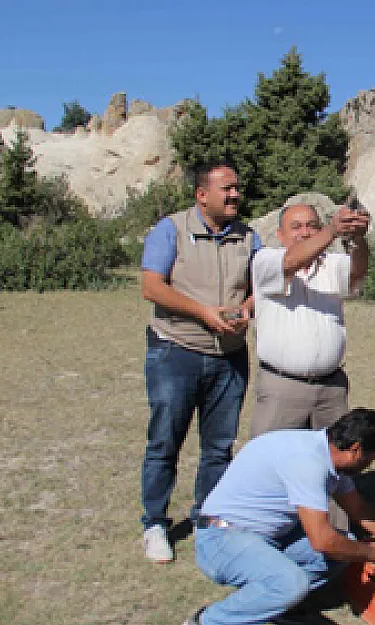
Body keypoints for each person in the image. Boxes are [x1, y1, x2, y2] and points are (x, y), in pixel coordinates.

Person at [185, 408, 375, 625]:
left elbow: (360, 511)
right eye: (370, 460)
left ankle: (276, 601)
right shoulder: (308, 463)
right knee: (294, 580)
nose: (370, 467)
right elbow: (322, 541)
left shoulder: (327, 455)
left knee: (347, 544)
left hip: (267, 537)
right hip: (221, 538)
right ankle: (209, 620)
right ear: (355, 449)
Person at [138, 161, 261, 563]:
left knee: (219, 447)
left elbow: (264, 285)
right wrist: (203, 313)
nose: (235, 195)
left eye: (237, 188)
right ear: (201, 194)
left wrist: (248, 307)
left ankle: (207, 519)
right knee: (164, 442)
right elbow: (151, 286)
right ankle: (155, 524)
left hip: (229, 357)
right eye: (227, 189)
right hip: (176, 351)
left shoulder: (248, 237)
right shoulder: (170, 230)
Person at [248, 199, 370, 438]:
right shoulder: (265, 261)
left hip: (330, 389)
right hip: (282, 388)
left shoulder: (331, 264)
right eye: (296, 227)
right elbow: (292, 262)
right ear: (279, 235)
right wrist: (332, 231)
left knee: (331, 466)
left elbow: (358, 271)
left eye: (312, 226)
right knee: (274, 464)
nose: (305, 232)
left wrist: (358, 238)